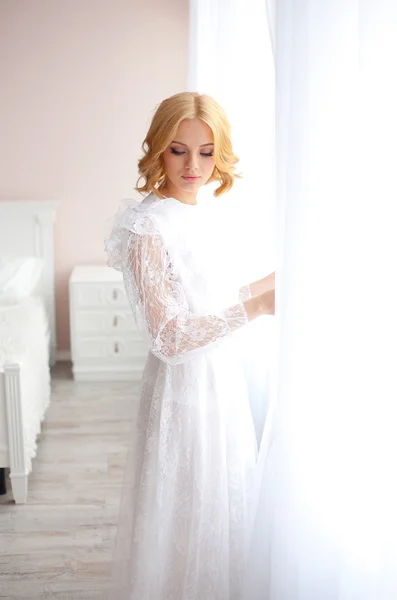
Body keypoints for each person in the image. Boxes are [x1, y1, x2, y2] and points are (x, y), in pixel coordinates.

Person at [105, 91, 275, 600]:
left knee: (223, 505)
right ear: (158, 149)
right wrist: (259, 307)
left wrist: (273, 284)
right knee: (185, 511)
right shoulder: (145, 228)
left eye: (205, 151)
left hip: (222, 385)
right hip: (182, 391)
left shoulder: (208, 215)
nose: (193, 165)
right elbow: (170, 337)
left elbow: (215, 300)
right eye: (178, 150)